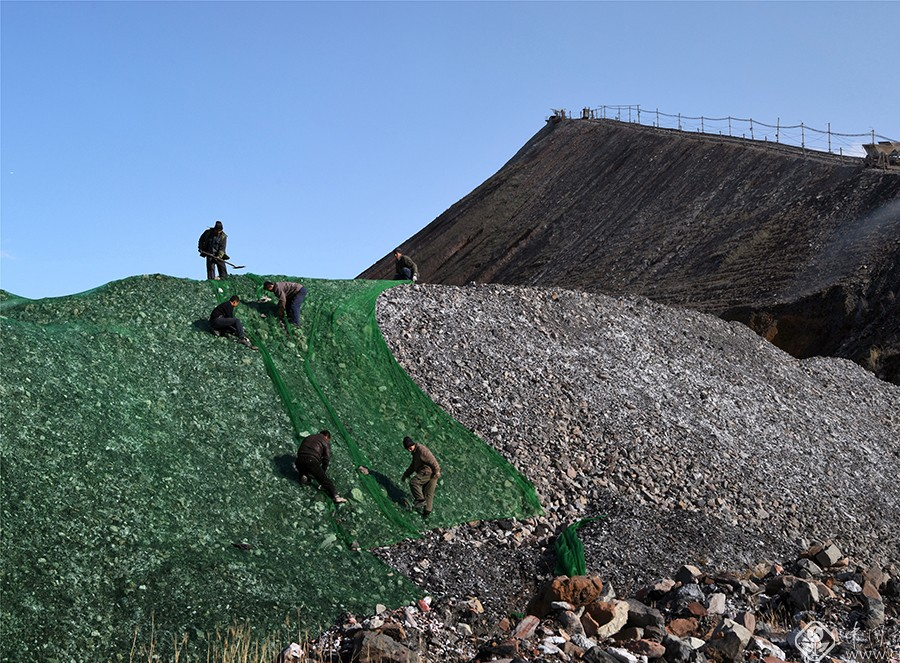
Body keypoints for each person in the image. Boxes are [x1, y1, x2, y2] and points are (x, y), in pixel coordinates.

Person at [295, 430, 347, 504]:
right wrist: (323, 471)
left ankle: (304, 476)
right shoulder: (325, 441)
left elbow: (300, 449)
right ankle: (336, 497)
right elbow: (326, 459)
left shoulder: (309, 437)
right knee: (325, 480)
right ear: (327, 437)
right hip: (311, 461)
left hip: (299, 460)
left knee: (304, 472)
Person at [401, 435, 440, 520]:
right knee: (428, 493)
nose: (409, 449)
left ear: (413, 444)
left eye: (410, 447)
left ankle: (420, 500)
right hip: (432, 474)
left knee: (413, 482)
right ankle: (426, 515)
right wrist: (406, 474)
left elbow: (433, 460)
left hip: (428, 472)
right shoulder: (415, 452)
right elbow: (413, 466)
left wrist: (437, 471)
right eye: (407, 448)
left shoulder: (421, 450)